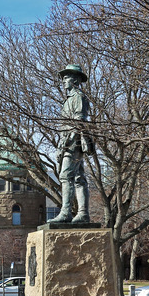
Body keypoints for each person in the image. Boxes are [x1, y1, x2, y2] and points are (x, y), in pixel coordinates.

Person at [49, 64, 92, 224]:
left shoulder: (78, 97)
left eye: (66, 77)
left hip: (73, 142)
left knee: (65, 176)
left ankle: (66, 212)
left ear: (75, 80)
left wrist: (66, 145)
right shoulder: (69, 99)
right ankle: (83, 214)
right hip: (68, 141)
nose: (64, 81)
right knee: (79, 178)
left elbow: (79, 122)